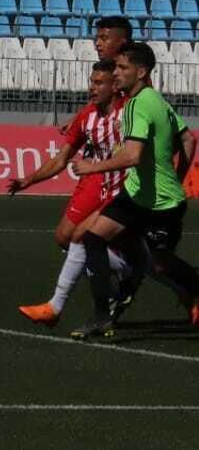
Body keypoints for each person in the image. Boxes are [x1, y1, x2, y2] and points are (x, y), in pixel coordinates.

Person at [68, 42, 199, 338]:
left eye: (122, 67)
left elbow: (132, 156)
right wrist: (177, 176)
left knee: (162, 265)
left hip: (161, 205)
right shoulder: (156, 99)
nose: (116, 72)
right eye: (115, 66)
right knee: (92, 238)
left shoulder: (137, 105)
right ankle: (101, 316)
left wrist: (91, 167)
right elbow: (189, 139)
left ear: (141, 72)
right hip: (137, 195)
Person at [10, 56, 133, 328]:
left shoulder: (129, 112)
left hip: (128, 191)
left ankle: (56, 307)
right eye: (91, 82)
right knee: (66, 237)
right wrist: (28, 180)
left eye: (99, 83)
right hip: (104, 186)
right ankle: (124, 277)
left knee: (81, 239)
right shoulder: (87, 116)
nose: (92, 87)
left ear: (115, 86)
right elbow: (61, 158)